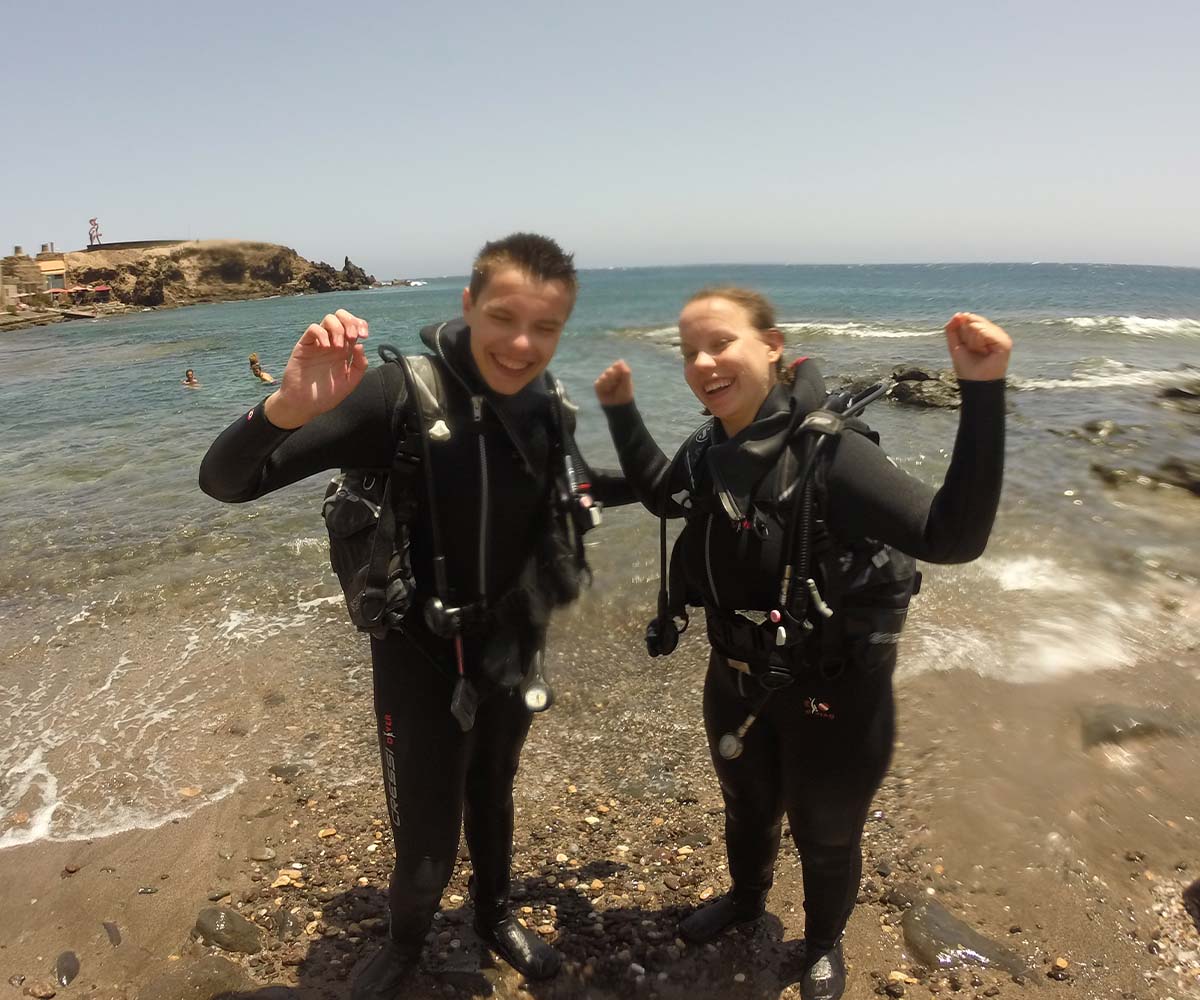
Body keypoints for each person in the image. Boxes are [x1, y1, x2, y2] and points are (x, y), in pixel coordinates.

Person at [200, 234, 632, 997]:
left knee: (494, 791)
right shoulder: (398, 393)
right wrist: (286, 406)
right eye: (505, 318)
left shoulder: (546, 403)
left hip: (510, 652)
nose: (523, 343)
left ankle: (495, 917)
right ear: (468, 305)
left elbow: (574, 491)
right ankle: (406, 945)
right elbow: (228, 481)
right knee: (428, 839)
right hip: (420, 661)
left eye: (547, 327)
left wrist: (685, 476)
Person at [593, 287, 1009, 1000]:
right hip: (735, 675)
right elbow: (666, 496)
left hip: (834, 688)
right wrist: (619, 413)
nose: (703, 361)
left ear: (773, 346)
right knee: (745, 807)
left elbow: (952, 537)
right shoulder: (707, 448)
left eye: (720, 342)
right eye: (689, 349)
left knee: (826, 833)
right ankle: (748, 903)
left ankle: (821, 944)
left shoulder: (831, 455)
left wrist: (983, 392)